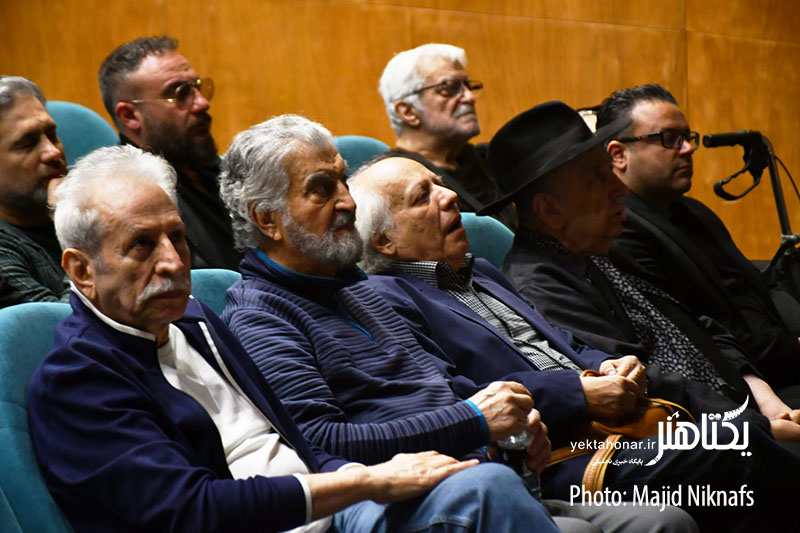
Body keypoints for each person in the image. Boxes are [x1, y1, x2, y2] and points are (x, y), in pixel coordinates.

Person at [26, 144, 556, 533]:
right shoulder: (78, 380)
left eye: (177, 237)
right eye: (142, 245)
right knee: (484, 491)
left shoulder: (194, 320)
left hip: (332, 509)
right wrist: (369, 481)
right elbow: (193, 511)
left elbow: (301, 445)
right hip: (290, 519)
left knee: (522, 494)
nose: (172, 261)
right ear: (81, 270)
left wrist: (425, 460)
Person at [346, 108, 800, 531]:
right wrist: (579, 391)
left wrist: (608, 365)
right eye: (422, 197)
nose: (449, 196)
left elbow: (563, 342)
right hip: (557, 454)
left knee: (741, 447)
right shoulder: (387, 297)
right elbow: (454, 392)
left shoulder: (481, 271)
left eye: (439, 184)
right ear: (384, 241)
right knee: (735, 447)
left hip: (617, 429)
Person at [477, 100, 800, 444]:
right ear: (550, 210)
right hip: (696, 438)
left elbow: (696, 325)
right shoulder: (539, 286)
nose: (620, 188)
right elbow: (641, 385)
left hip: (745, 405)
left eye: (610, 171)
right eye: (598, 178)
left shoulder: (596, 250)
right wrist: (755, 426)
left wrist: (762, 395)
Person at [595, 84, 800, 395]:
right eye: (669, 138)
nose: (688, 149)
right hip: (741, 386)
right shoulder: (619, 232)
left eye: (687, 137)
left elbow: (756, 291)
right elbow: (695, 336)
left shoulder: (693, 211)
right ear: (619, 154)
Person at [98, 35, 241, 269]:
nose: (202, 103)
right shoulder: (126, 205)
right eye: (180, 93)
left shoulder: (213, 168)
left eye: (196, 87)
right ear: (130, 116)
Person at [378, 43, 516, 229]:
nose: (469, 97)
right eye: (450, 87)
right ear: (408, 112)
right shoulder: (395, 184)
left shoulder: (491, 159)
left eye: (468, 86)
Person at [0, 75, 69, 308]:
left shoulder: (96, 198)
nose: (53, 152)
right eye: (27, 143)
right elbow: (59, 322)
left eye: (51, 135)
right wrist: (77, 231)